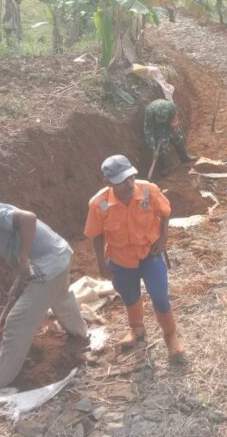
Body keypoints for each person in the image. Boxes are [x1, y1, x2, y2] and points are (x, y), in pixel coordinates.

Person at [0, 188, 87, 389]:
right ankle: (80, 334)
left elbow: (28, 219)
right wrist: (18, 282)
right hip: (59, 254)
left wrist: (23, 258)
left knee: (16, 321)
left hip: (48, 266)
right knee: (61, 298)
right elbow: (21, 256)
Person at [85, 155, 184, 362]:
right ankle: (137, 329)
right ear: (108, 183)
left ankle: (170, 336)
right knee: (129, 296)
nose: (130, 184)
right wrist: (101, 263)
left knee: (160, 297)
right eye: (122, 181)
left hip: (150, 254)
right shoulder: (99, 205)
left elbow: (165, 212)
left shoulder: (149, 191)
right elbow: (96, 235)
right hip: (121, 260)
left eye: (131, 177)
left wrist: (164, 238)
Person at [144, 99, 196, 176]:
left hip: (169, 124)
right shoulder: (149, 112)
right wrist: (153, 148)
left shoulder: (171, 107)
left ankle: (184, 157)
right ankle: (164, 168)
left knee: (178, 137)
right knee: (162, 146)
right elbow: (148, 132)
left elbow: (175, 120)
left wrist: (173, 125)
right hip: (156, 128)